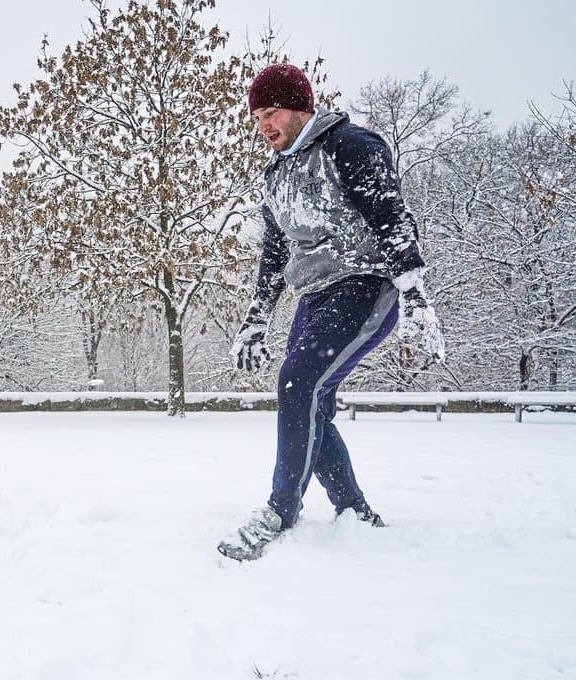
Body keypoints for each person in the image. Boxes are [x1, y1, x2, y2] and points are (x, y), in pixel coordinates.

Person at [218, 64, 446, 562]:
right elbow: (275, 255)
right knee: (311, 400)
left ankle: (281, 510)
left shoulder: (350, 145)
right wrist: (256, 318)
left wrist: (413, 291)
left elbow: (392, 217)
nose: (263, 126)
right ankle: (354, 512)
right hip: (314, 297)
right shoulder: (274, 176)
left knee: (298, 384)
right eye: (256, 117)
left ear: (301, 107)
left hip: (364, 285)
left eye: (271, 112)